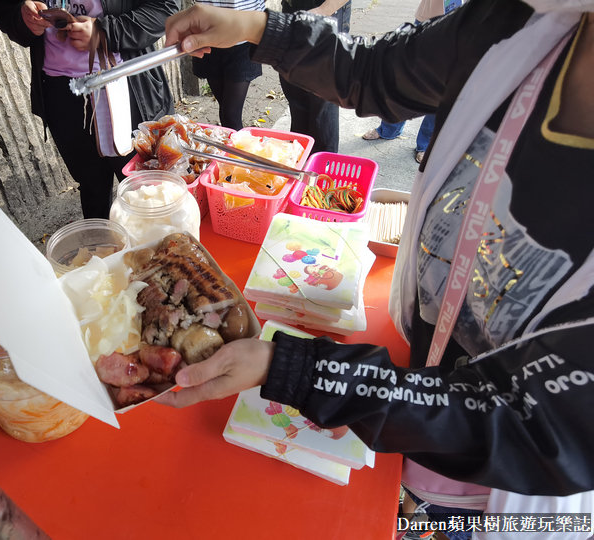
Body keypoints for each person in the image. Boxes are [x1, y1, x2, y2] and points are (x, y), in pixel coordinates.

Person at [161, 1, 594, 538]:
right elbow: (377, 69)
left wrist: (299, 370)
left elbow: (525, 422)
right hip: (410, 360)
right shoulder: (517, 21)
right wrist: (258, 28)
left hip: (516, 486)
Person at [0, 0, 177, 220]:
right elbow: (3, 10)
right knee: (92, 186)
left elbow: (165, 8)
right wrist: (22, 18)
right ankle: (103, 247)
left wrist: (106, 32)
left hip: (126, 88)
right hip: (60, 93)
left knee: (148, 188)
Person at [361, 0, 450, 164]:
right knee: (404, 80)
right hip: (428, 18)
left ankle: (427, 143)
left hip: (464, 27)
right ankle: (389, 128)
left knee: (442, 88)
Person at [280, 0, 351, 154]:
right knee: (294, 91)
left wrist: (323, 10)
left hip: (324, 11)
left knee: (322, 100)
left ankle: (323, 166)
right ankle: (300, 159)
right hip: (292, 10)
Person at [190, 0, 265, 131]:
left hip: (244, 39)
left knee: (231, 114)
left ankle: (239, 150)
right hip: (209, 39)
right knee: (225, 109)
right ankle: (231, 148)